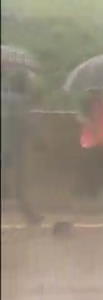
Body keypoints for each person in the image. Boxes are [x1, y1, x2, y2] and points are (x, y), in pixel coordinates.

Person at [1, 65, 42, 224]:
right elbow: (28, 122)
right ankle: (30, 216)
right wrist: (38, 138)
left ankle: (30, 215)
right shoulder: (21, 101)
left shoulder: (4, 96)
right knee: (20, 183)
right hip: (14, 146)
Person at [76, 88, 103, 199]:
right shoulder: (86, 104)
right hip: (90, 139)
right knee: (90, 166)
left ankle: (97, 191)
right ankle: (89, 191)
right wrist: (89, 123)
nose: (101, 94)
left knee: (101, 166)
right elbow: (80, 117)